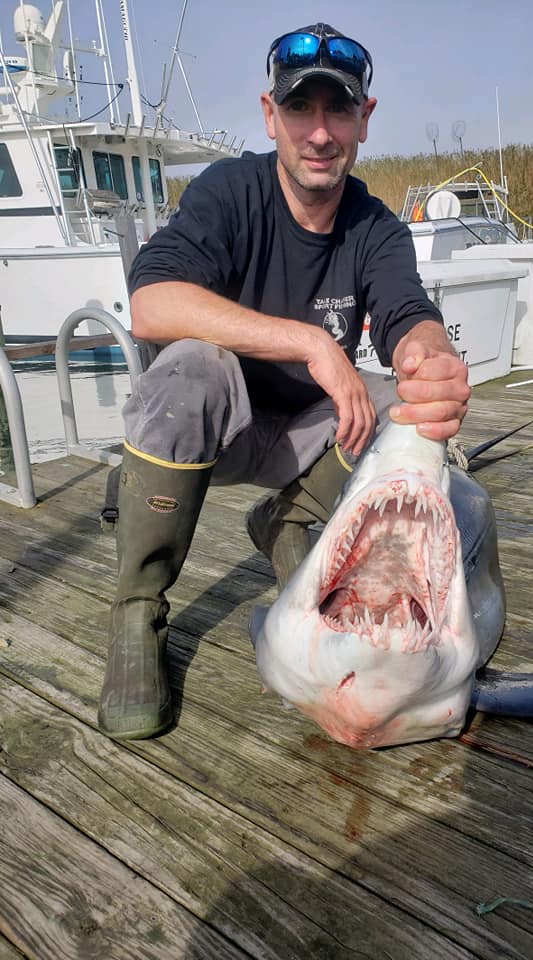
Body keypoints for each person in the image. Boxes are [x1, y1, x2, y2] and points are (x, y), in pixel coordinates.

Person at [98, 22, 470, 741]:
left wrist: (431, 361)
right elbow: (150, 306)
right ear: (271, 115)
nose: (321, 133)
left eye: (339, 111)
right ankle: (136, 613)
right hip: (219, 429)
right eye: (302, 109)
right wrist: (307, 343)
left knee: (407, 412)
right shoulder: (228, 191)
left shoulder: (375, 226)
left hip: (306, 438)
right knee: (188, 368)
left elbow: (408, 313)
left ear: (365, 119)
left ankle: (285, 519)